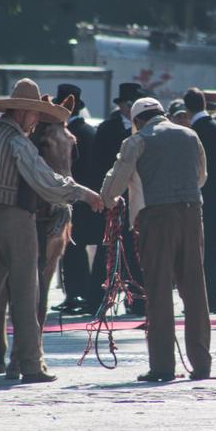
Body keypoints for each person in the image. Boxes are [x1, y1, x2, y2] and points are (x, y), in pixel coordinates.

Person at [0, 79, 104, 386]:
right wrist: (84, 194)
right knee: (27, 294)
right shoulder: (19, 143)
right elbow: (46, 182)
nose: (36, 120)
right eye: (34, 114)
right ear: (23, 113)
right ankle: (31, 365)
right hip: (16, 219)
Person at [100, 97, 212, 382]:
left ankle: (162, 367)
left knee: (159, 290)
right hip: (191, 213)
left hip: (157, 218)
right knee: (195, 290)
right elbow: (201, 177)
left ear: (137, 120)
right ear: (162, 114)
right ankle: (201, 365)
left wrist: (107, 198)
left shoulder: (137, 141)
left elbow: (115, 184)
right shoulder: (190, 134)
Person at [89, 82, 149, 316]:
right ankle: (98, 298)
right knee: (109, 248)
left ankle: (138, 300)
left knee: (136, 251)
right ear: (123, 106)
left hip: (137, 197)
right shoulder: (108, 128)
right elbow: (98, 163)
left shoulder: (143, 130)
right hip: (115, 196)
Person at [53, 84, 99, 315]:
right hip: (87, 197)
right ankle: (82, 292)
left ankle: (74, 294)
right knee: (78, 247)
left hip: (73, 197)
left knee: (72, 247)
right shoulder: (90, 131)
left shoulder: (68, 134)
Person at [185, 87, 216, 313]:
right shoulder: (215, 127)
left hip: (204, 197)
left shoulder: (198, 131)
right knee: (214, 250)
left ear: (187, 108)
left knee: (204, 251)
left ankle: (209, 299)